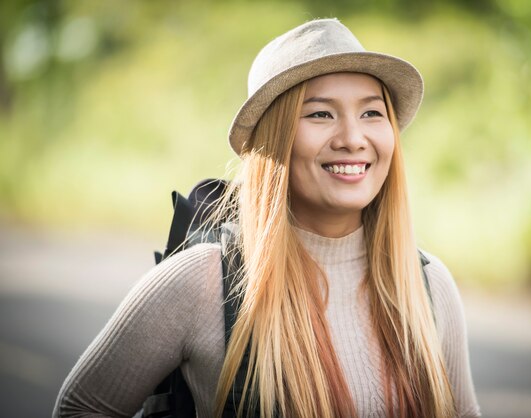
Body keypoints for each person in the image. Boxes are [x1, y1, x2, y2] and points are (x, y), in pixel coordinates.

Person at [54, 18, 481, 418]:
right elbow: (80, 408)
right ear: (274, 141)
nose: (353, 139)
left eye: (372, 112)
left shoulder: (429, 286)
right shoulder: (201, 282)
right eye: (320, 114)